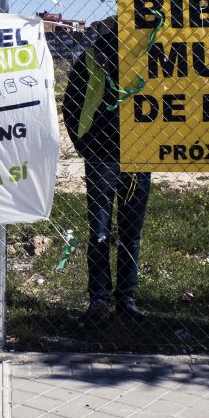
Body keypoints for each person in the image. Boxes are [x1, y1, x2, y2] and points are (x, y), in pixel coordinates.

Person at [61, 18, 151, 324]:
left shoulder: (149, 58)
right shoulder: (92, 59)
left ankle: (125, 299)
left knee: (128, 233)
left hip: (138, 155)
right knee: (102, 231)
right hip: (102, 155)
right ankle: (101, 299)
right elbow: (71, 105)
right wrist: (84, 145)